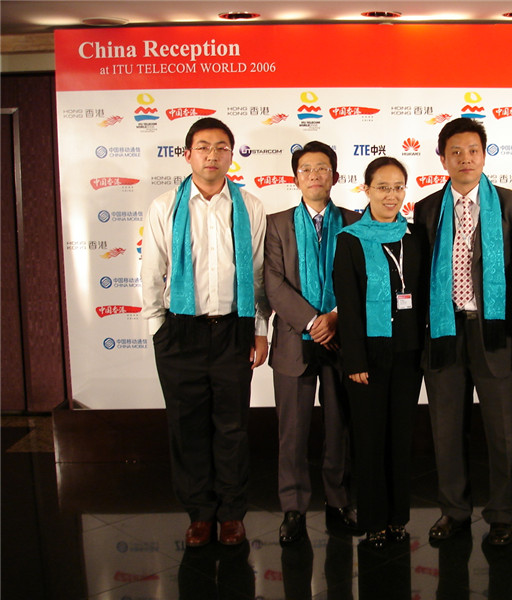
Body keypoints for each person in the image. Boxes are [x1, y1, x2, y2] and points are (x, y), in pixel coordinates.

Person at [141, 117, 270, 547]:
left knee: (232, 427)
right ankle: (199, 514)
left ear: (231, 155)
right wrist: (159, 330)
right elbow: (151, 272)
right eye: (203, 147)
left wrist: (259, 329)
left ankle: (231, 513)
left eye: (221, 147)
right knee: (187, 427)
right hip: (180, 332)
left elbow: (257, 274)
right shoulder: (165, 207)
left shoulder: (249, 207)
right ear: (187, 154)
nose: (212, 155)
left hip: (234, 329)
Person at [414, 118, 512, 547]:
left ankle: (501, 515)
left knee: (502, 429)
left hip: (494, 331)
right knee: (446, 427)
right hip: (444, 330)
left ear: (485, 154)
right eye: (456, 152)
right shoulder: (427, 208)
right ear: (442, 159)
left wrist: (503, 314)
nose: (465, 159)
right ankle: (454, 511)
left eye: (473, 151)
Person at [264, 141, 361, 545]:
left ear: (335, 176)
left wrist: (336, 316)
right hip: (293, 342)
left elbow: (363, 278)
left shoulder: (356, 221)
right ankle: (293, 508)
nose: (315, 175)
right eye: (306, 169)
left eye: (322, 168)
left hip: (343, 340)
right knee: (292, 432)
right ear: (295, 178)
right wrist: (311, 320)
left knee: (341, 427)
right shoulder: (275, 224)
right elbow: (272, 282)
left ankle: (338, 500)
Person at [333, 157, 427, 549]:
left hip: (408, 354)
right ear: (367, 189)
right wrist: (354, 360)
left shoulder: (415, 235)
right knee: (369, 440)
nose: (392, 195)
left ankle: (397, 518)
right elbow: (348, 304)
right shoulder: (350, 239)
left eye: (398, 187)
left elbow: (423, 294)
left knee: (400, 439)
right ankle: (373, 520)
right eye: (383, 187)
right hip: (367, 357)